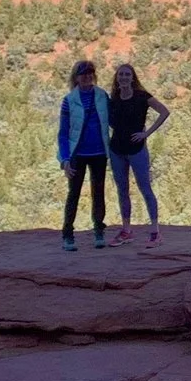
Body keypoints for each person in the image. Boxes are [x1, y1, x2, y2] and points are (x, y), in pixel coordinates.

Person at [107, 63, 171, 245]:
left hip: (137, 149)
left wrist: (146, 133)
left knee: (145, 188)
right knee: (122, 190)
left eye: (127, 74)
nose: (124, 77)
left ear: (132, 77)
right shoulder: (114, 98)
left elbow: (164, 111)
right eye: (121, 75)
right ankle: (126, 230)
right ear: (117, 78)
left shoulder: (142, 97)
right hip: (117, 149)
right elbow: (112, 122)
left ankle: (155, 232)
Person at [56, 59, 112, 250]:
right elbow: (63, 133)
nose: (87, 76)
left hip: (99, 152)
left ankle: (98, 230)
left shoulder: (102, 96)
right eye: (83, 73)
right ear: (76, 77)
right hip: (77, 154)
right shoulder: (69, 101)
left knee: (99, 192)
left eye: (90, 73)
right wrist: (64, 159)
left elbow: (114, 119)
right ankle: (67, 234)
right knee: (74, 193)